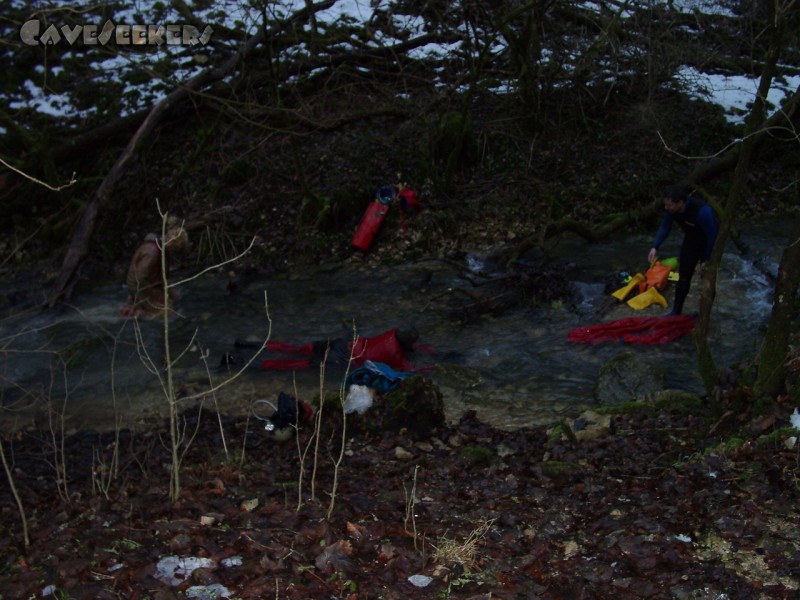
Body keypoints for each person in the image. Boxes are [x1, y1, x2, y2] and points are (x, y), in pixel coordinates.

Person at [648, 185, 718, 316]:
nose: (666, 208)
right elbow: (665, 227)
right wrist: (655, 246)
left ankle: (705, 315)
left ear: (680, 202)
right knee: (684, 274)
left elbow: (712, 237)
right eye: (666, 205)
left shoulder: (702, 211)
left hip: (710, 240)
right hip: (692, 238)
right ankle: (676, 311)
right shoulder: (671, 210)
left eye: (669, 205)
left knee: (707, 276)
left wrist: (706, 259)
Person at [258, 327, 422, 372]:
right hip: (343, 358)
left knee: (299, 349)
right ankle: (260, 364)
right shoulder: (395, 355)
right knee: (303, 364)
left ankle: (256, 345)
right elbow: (411, 369)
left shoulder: (390, 333)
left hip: (343, 343)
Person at [121, 218, 190, 318]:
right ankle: (137, 314)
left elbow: (160, 278)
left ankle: (136, 308)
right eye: (176, 251)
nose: (174, 255)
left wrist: (170, 292)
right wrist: (154, 294)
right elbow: (140, 277)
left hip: (144, 285)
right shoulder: (153, 251)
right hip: (138, 286)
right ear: (173, 245)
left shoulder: (160, 248)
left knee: (171, 300)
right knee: (168, 312)